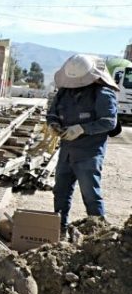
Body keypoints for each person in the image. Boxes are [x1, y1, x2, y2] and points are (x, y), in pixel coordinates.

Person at [48, 54, 119, 234]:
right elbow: (52, 113)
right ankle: (59, 230)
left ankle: (98, 236)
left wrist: (81, 129)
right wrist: (53, 124)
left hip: (89, 153)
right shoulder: (64, 92)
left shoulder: (102, 93)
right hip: (66, 153)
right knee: (60, 192)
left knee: (91, 196)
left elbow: (109, 122)